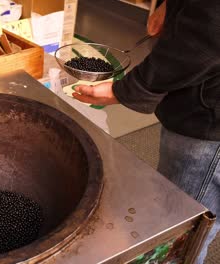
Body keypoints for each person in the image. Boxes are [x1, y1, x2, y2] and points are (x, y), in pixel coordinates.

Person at [72, 0, 219, 263]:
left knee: (179, 235)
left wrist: (132, 88)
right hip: (201, 104)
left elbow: (211, 28)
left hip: (208, 126)